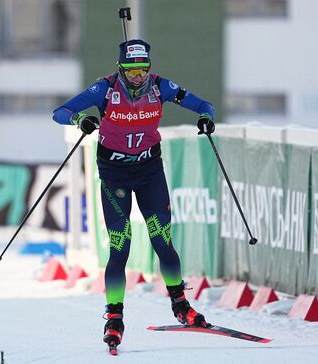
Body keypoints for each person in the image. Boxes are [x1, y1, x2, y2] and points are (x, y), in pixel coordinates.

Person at [52, 39, 215, 349]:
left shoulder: (160, 86)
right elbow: (60, 112)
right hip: (114, 175)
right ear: (121, 68)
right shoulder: (105, 89)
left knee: (163, 241)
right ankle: (114, 319)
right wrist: (80, 120)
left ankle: (180, 305)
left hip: (150, 171)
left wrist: (206, 118)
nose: (137, 77)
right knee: (120, 247)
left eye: (142, 69)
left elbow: (204, 105)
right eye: (131, 70)